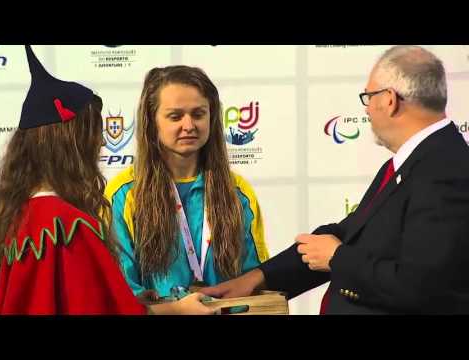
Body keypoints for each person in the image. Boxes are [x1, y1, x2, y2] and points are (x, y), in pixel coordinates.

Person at [201, 45, 469, 314]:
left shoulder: (447, 170)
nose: (366, 111)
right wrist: (257, 278)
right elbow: (349, 234)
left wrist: (337, 258)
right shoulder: (414, 162)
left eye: (368, 97)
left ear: (389, 100)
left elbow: (423, 287)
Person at [0, 45, 214, 315]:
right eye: (95, 133)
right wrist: (177, 311)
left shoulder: (16, 217)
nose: (102, 142)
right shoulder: (69, 225)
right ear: (72, 145)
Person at [105, 65, 269, 301]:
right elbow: (121, 288)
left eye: (198, 114)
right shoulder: (124, 194)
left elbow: (255, 278)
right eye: (175, 116)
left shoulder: (238, 192)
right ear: (152, 121)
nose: (189, 125)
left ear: (211, 117)